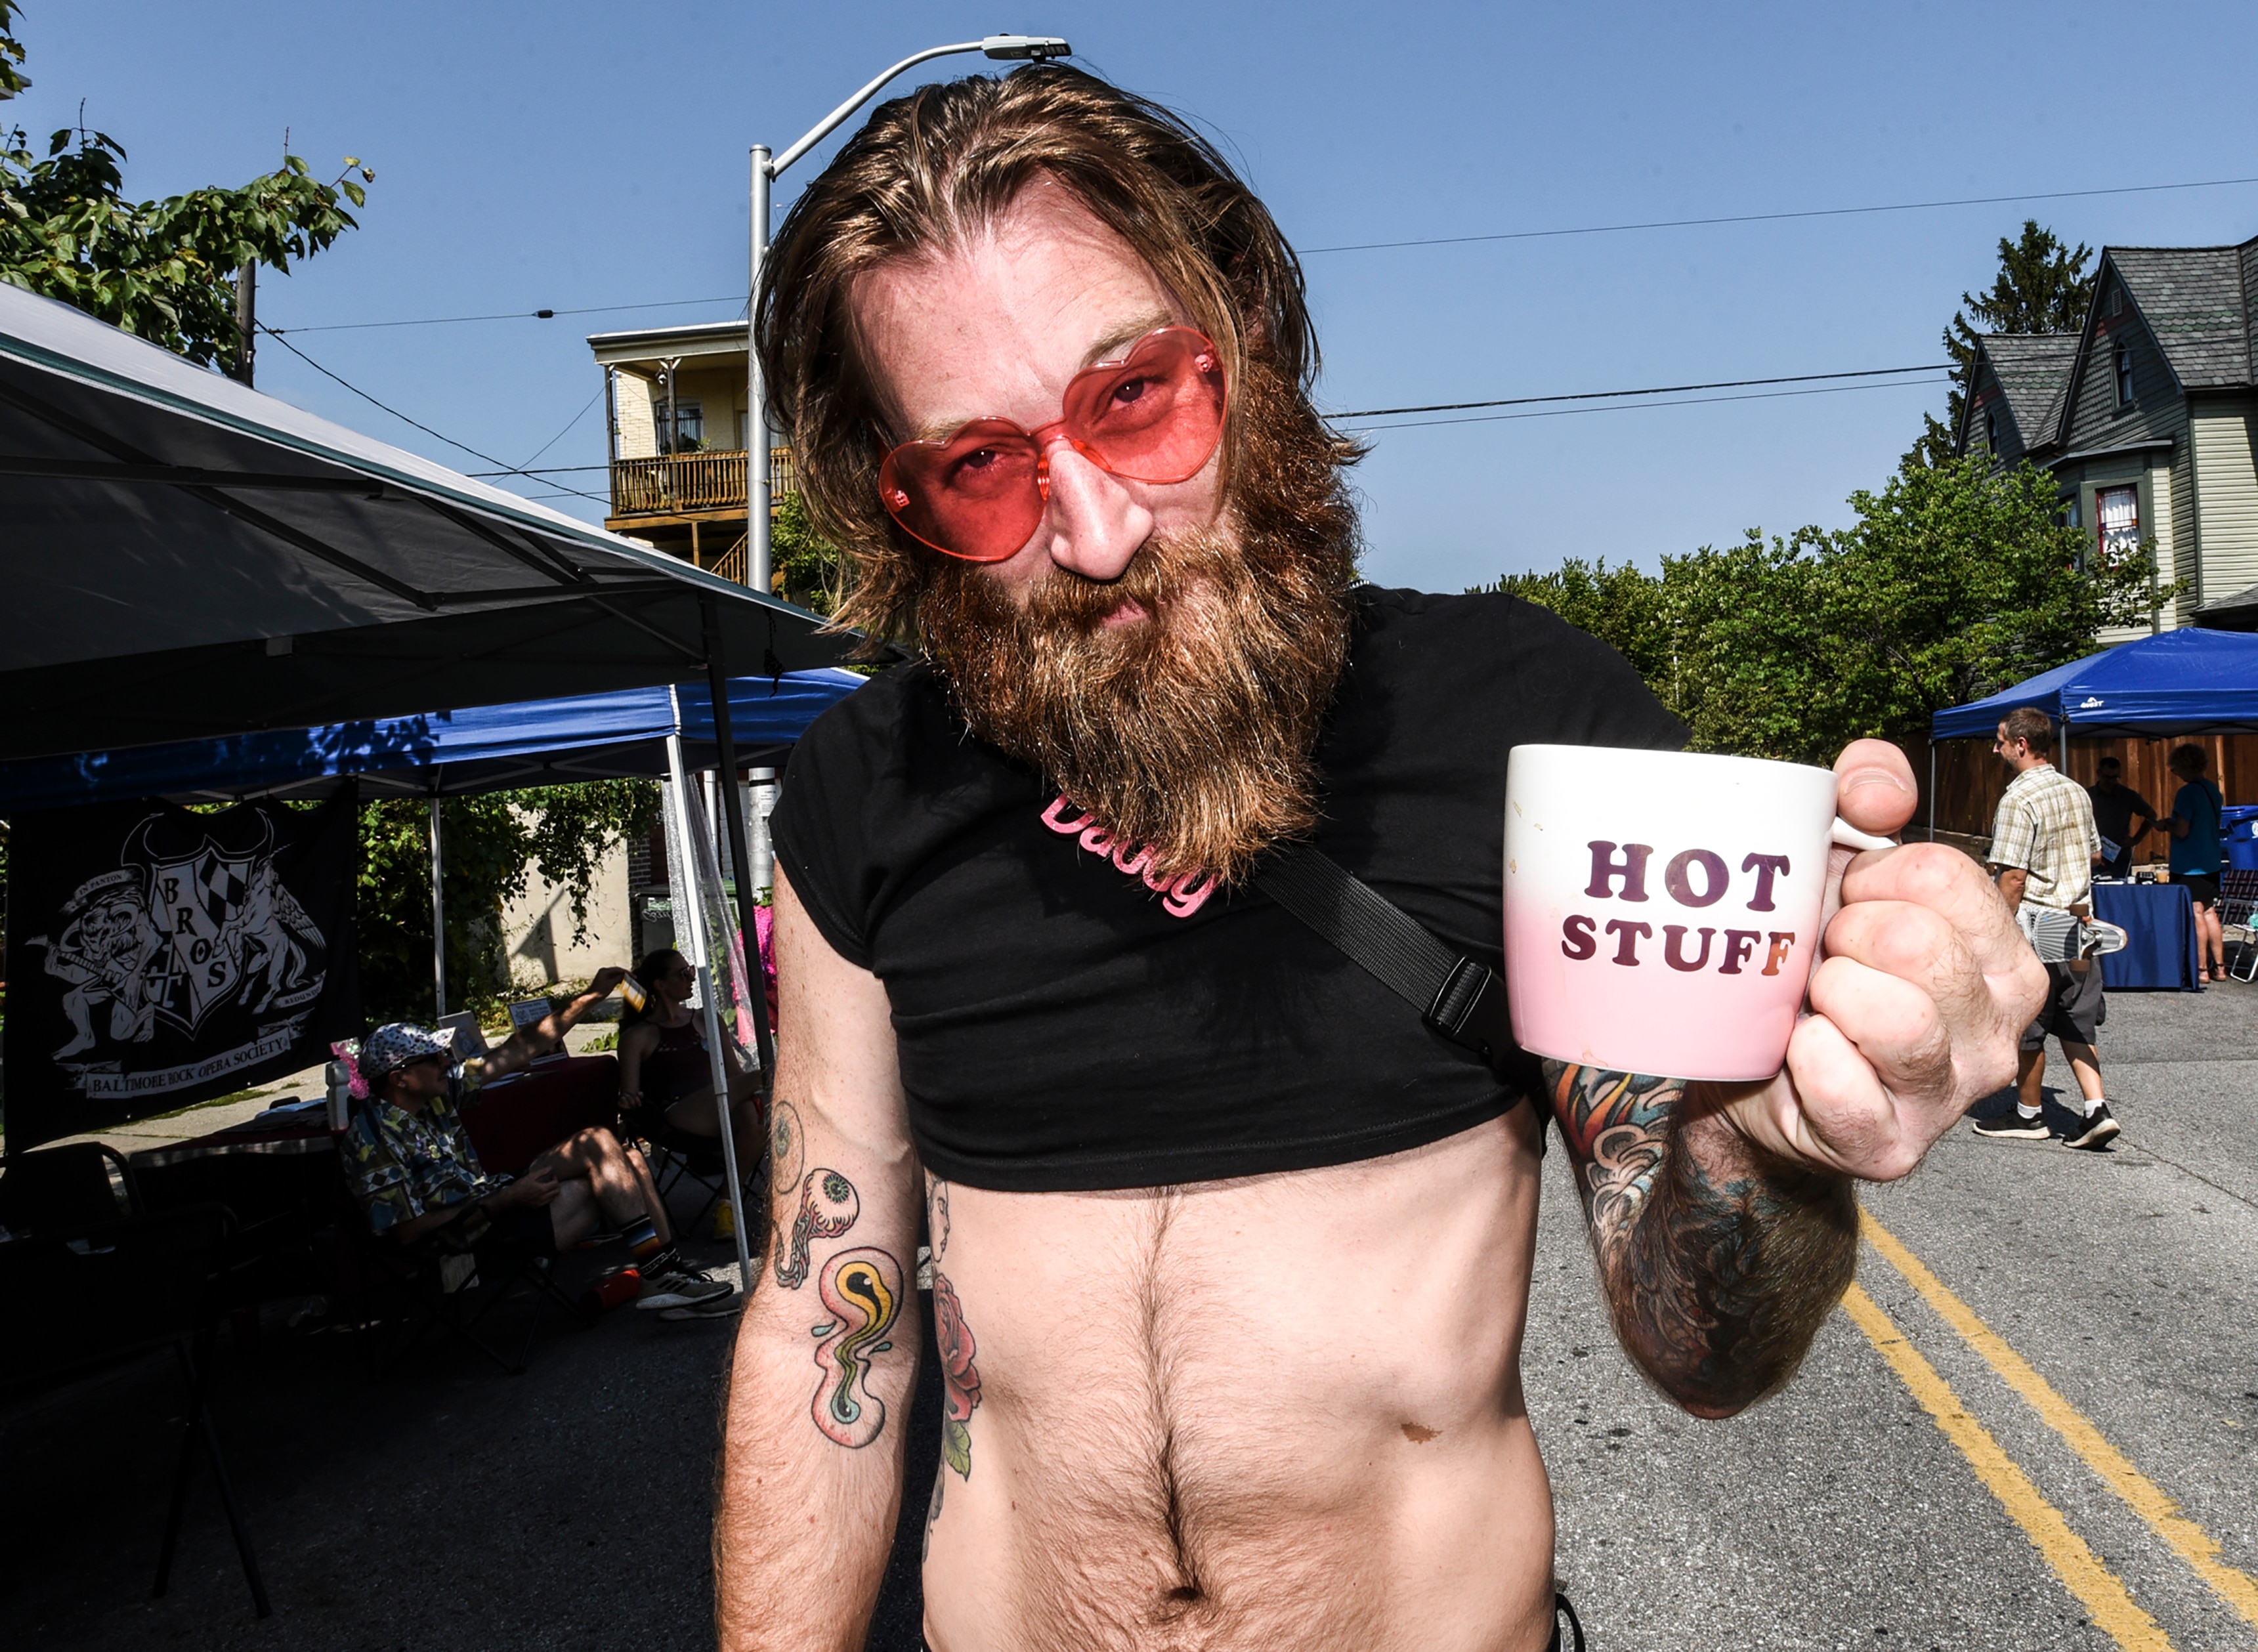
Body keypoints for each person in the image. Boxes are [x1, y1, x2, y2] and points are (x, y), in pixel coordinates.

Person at [714, 67, 2045, 1652]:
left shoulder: (1529, 734)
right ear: (904, 507)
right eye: (981, 469)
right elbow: (822, 1319)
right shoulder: (863, 798)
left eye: (1134, 396)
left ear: (1254, 343)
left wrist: (1770, 1139)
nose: (1092, 528)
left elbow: (1705, 1345)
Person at [343, 971, 733, 1317]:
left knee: (621, 1153)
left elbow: (520, 1049)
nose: (447, 1062)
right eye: (434, 1057)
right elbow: (408, 1234)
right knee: (611, 1154)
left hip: (493, 1197)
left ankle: (667, 1276)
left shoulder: (435, 1096)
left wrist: (591, 997)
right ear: (400, 1078)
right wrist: (508, 1199)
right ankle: (664, 1277)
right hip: (472, 1230)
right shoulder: (372, 1136)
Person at [1975, 708, 2118, 1149]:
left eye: (2000, 741)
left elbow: (2013, 877)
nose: (1996, 749)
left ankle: (2029, 1113)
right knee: (2076, 1019)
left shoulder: (2018, 799)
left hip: (2037, 924)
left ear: (2021, 744)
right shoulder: (2077, 790)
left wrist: (1994, 934)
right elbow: (2096, 854)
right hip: (2079, 920)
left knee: (2029, 1021)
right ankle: (2097, 1108)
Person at [616, 946, 767, 1215]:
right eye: (683, 973)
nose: (692, 979)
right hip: (678, 1116)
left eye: (691, 972)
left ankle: (727, 1207)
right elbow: (630, 1095)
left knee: (751, 1116)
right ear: (660, 984)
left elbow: (734, 1074)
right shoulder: (639, 1035)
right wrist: (630, 1100)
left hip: (723, 1105)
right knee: (767, 1075)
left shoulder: (707, 1019)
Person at [2164, 743, 2228, 983]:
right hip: (2211, 860)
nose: (2175, 773)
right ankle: (2220, 968)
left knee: (2196, 911)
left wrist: (2165, 825)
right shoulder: (2213, 790)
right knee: (2210, 911)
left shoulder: (2188, 793)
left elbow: (2182, 830)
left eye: (2176, 769)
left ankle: (2201, 969)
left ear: (2185, 766)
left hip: (2190, 864)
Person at [2084, 755, 2156, 881]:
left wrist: (2136, 839)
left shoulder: (2128, 796)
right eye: (2107, 777)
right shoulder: (2088, 795)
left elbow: (2151, 815)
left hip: (2120, 856)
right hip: (2094, 854)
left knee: (2121, 891)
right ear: (2099, 774)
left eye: (2115, 778)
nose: (2111, 781)